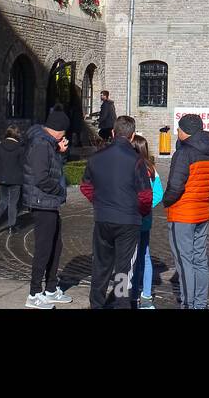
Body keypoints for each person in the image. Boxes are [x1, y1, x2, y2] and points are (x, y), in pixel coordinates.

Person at [80, 115, 152, 309]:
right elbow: (146, 195)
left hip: (103, 218)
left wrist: (99, 202)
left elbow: (85, 186)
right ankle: (121, 304)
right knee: (123, 268)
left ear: (113, 133)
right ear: (132, 135)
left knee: (101, 266)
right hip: (128, 221)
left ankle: (96, 304)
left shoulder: (96, 157)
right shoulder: (137, 161)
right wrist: (141, 213)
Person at [161, 113, 209, 309]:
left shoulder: (184, 154)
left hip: (182, 214)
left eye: (179, 129)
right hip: (202, 212)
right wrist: (201, 196)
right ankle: (200, 303)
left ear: (186, 132)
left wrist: (166, 201)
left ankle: (189, 303)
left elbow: (175, 186)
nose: (177, 132)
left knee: (184, 261)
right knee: (200, 259)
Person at [22, 110, 74, 308]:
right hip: (41, 202)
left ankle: (51, 288)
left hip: (48, 202)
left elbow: (53, 168)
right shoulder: (41, 144)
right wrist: (60, 190)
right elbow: (41, 177)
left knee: (55, 245)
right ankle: (34, 293)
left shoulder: (48, 143)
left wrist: (60, 152)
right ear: (59, 131)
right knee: (43, 248)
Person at [129, 134, 165, 309]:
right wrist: (146, 206)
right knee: (145, 257)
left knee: (126, 259)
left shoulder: (132, 166)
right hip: (145, 219)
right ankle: (146, 295)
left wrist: (137, 206)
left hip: (130, 219)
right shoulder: (151, 168)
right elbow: (158, 194)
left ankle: (129, 293)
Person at [0, 125, 24, 234]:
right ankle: (11, 226)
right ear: (17, 134)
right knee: (13, 203)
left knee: (3, 200)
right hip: (15, 179)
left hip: (1, 178)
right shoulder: (20, 148)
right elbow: (23, 165)